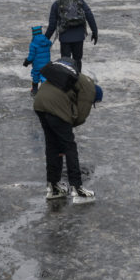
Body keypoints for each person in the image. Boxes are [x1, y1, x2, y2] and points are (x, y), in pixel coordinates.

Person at [33, 57, 100, 200]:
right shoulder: (88, 88)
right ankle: (77, 188)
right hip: (54, 106)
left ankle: (53, 187)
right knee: (69, 146)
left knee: (52, 146)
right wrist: (66, 129)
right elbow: (80, 116)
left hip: (39, 103)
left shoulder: (70, 78)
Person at [45, 0, 98, 73]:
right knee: (77, 60)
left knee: (65, 63)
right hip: (79, 37)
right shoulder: (79, 0)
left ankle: (67, 83)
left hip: (65, 38)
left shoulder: (56, 4)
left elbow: (52, 25)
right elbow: (89, 15)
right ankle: (78, 81)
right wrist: (95, 31)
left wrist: (45, 39)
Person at [23, 25, 52, 96]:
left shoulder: (33, 44)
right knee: (44, 77)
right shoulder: (46, 41)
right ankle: (45, 90)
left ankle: (34, 90)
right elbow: (50, 43)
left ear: (33, 34)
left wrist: (26, 62)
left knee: (35, 76)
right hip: (46, 64)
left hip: (37, 65)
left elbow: (31, 57)